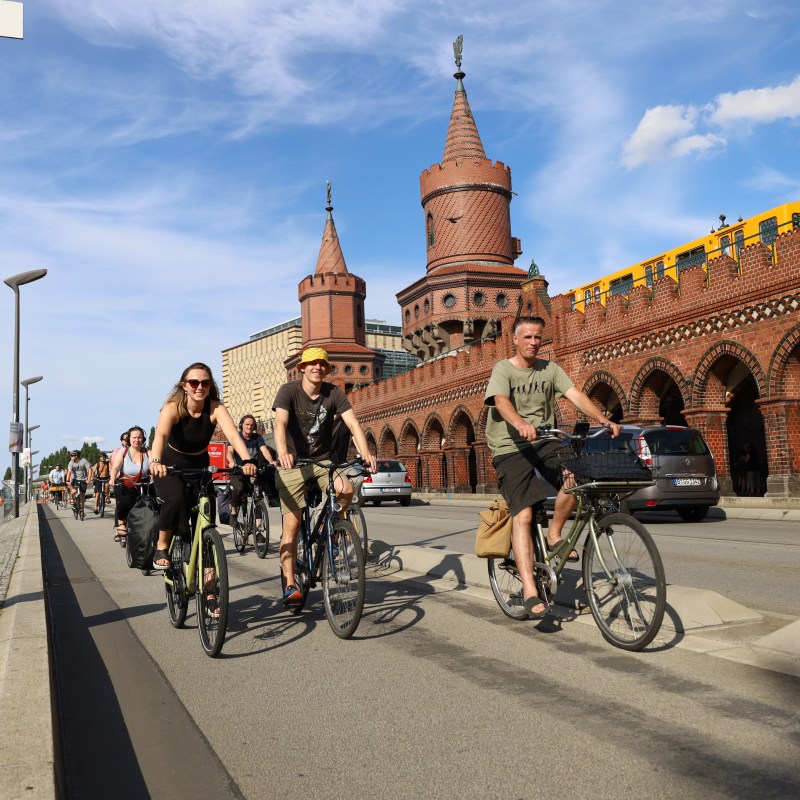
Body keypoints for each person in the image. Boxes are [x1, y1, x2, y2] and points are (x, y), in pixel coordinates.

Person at [484, 316, 621, 619]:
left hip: (545, 439)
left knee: (576, 473)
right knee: (524, 514)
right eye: (528, 337)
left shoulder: (551, 370)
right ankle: (531, 592)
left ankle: (554, 534)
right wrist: (519, 423)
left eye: (538, 338)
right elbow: (501, 400)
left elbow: (577, 396)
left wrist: (603, 419)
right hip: (510, 447)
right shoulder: (503, 370)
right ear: (516, 340)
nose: (534, 342)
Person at [272, 347, 376, 606]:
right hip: (293, 463)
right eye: (313, 363)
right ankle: (289, 583)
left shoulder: (334, 393)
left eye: (322, 364)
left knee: (346, 489)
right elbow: (280, 424)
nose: (318, 367)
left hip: (322, 461)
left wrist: (365, 453)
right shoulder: (289, 392)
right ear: (303, 368)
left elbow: (353, 424)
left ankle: (330, 530)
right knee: (292, 526)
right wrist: (283, 452)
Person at [149, 363, 256, 595]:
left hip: (199, 466)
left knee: (206, 523)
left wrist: (247, 461)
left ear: (211, 386)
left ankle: (209, 590)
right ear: (184, 385)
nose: (199, 387)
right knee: (176, 498)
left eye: (205, 383)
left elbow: (233, 435)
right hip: (169, 465)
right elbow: (161, 435)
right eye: (194, 382)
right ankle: (162, 546)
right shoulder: (173, 407)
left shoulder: (215, 408)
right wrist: (155, 461)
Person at [226, 414, 276, 528]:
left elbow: (264, 450)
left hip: (253, 471)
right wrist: (231, 462)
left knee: (258, 495)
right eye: (247, 424)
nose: (249, 427)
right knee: (238, 488)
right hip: (238, 470)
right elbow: (229, 452)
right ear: (241, 425)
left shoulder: (257, 438)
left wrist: (271, 461)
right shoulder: (236, 437)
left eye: (252, 425)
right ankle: (233, 512)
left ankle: (258, 529)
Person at [109, 426, 151, 542]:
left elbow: (153, 465)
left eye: (139, 438)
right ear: (129, 439)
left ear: (143, 439)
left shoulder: (148, 452)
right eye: (134, 438)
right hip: (127, 483)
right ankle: (122, 523)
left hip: (144, 484)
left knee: (154, 504)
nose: (137, 440)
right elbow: (116, 467)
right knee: (124, 500)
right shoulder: (123, 452)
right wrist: (112, 478)